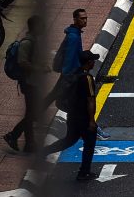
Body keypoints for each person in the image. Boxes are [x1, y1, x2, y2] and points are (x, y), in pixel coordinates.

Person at [43, 50, 100, 182]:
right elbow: (91, 100)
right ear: (89, 62)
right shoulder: (87, 78)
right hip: (83, 117)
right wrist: (91, 121)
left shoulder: (74, 74)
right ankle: (84, 172)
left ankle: (44, 152)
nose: (94, 62)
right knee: (90, 142)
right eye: (92, 60)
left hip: (72, 116)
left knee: (69, 140)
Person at [3, 15, 45, 153]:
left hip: (34, 82)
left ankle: (28, 143)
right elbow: (22, 62)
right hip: (29, 83)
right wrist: (39, 68)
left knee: (32, 113)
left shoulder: (35, 41)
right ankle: (16, 136)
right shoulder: (27, 42)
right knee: (31, 113)